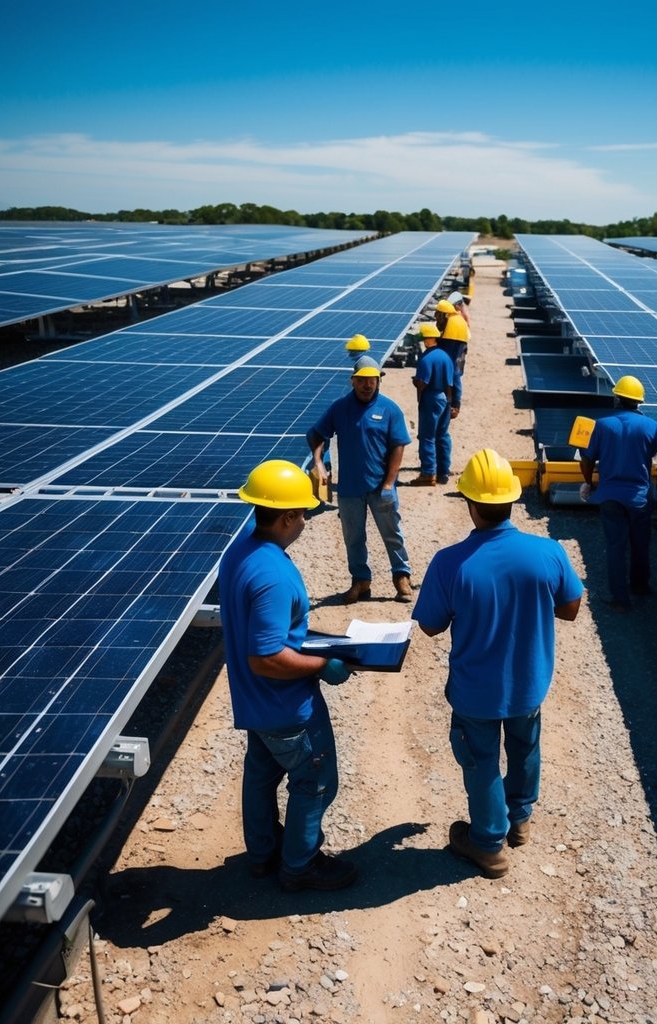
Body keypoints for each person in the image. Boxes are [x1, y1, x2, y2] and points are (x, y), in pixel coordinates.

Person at [413, 448, 584, 878]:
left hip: (475, 693)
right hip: (529, 686)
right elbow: (571, 607)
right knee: (525, 748)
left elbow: (430, 627)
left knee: (482, 760)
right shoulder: (548, 552)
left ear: (471, 504)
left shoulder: (449, 562)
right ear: (513, 499)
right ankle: (520, 819)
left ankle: (489, 843)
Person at [218, 459, 357, 891]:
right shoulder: (274, 576)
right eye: (302, 514)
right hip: (286, 707)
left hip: (254, 703)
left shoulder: (240, 549)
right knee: (314, 780)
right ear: (285, 518)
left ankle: (262, 855)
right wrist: (323, 664)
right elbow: (266, 657)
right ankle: (300, 866)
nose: (306, 522)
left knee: (261, 775)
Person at [578, 375, 657, 611]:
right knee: (640, 543)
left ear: (617, 399)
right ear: (638, 403)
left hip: (610, 496)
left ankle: (620, 599)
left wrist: (589, 483)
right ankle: (640, 586)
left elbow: (587, 459)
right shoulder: (649, 425)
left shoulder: (602, 425)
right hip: (639, 497)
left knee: (615, 546)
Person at [307, 355, 414, 604]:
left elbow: (398, 446)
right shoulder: (339, 408)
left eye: (372, 380)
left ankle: (401, 576)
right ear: (353, 382)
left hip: (381, 487)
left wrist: (389, 484)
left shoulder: (390, 409)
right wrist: (319, 462)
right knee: (353, 537)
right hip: (349, 489)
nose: (368, 385)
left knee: (391, 533)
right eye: (362, 380)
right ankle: (360, 581)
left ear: (378, 381)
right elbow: (316, 434)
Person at [408, 322, 454, 486]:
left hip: (431, 399)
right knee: (442, 435)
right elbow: (450, 383)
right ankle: (443, 471)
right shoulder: (445, 356)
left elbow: (423, 383)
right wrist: (451, 404)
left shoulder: (426, 358)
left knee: (427, 437)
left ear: (428, 339)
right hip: (444, 399)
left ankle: (428, 473)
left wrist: (415, 381)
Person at [435, 298, 470, 418]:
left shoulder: (451, 321)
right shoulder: (456, 318)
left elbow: (442, 338)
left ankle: (453, 405)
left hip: (453, 344)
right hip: (460, 345)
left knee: (451, 373)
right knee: (455, 374)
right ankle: (455, 404)